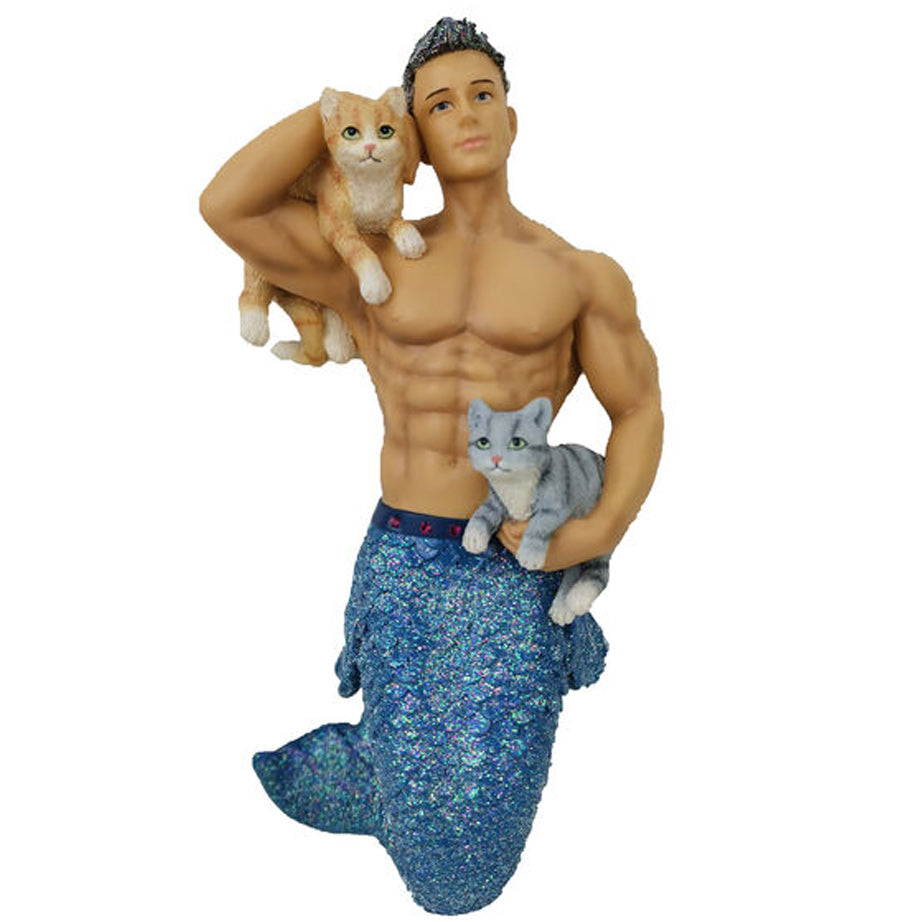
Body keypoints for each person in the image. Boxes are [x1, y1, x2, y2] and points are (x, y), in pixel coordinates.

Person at [200, 17, 663, 916]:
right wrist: (343, 117)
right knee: (433, 852)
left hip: (517, 564)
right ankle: (384, 771)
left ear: (512, 118)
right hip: (404, 557)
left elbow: (638, 409)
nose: (468, 115)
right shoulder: (371, 262)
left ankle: (387, 772)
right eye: (440, 105)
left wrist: (601, 529)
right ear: (414, 134)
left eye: (483, 95)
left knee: (468, 874)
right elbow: (229, 207)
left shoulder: (580, 274)